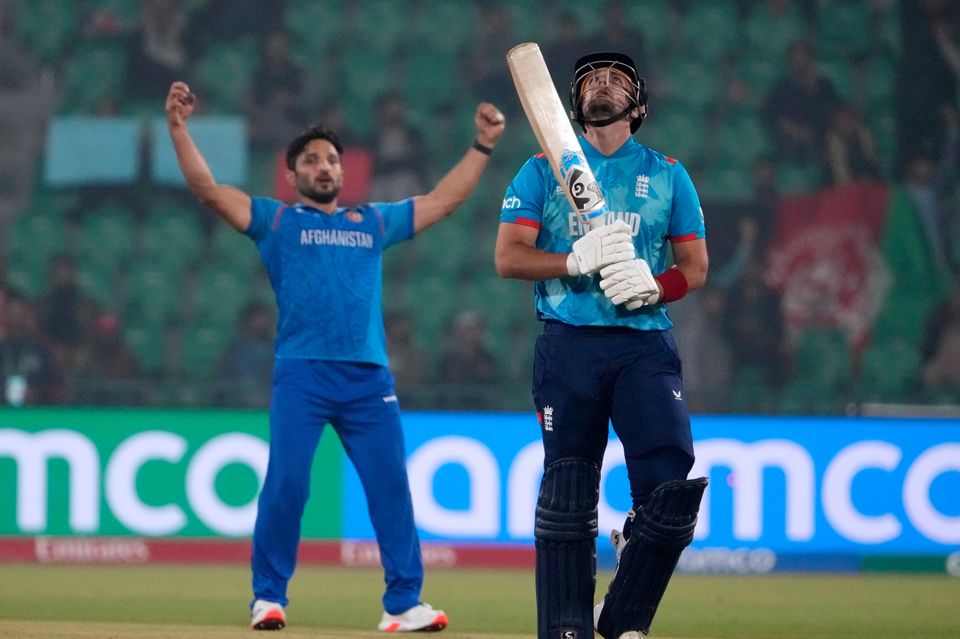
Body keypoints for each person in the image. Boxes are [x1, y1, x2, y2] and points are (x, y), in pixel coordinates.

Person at [165, 81, 504, 632]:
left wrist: (483, 145)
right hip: (302, 373)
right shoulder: (276, 222)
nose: (323, 167)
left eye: (331, 160)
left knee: (390, 486)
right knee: (288, 484)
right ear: (292, 174)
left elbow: (444, 201)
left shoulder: (370, 222)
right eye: (311, 160)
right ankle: (268, 598)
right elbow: (207, 188)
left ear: (344, 174)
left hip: (368, 378)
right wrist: (179, 129)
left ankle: (402, 605)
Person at [495, 52, 709, 639]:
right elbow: (508, 257)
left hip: (644, 345)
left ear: (637, 105)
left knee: (669, 489)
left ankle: (620, 622)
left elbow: (695, 267)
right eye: (591, 78)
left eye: (617, 78)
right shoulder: (541, 169)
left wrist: (653, 286)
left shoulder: (668, 173)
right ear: (575, 103)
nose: (603, 84)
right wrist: (571, 259)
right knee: (568, 487)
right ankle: (564, 627)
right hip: (569, 344)